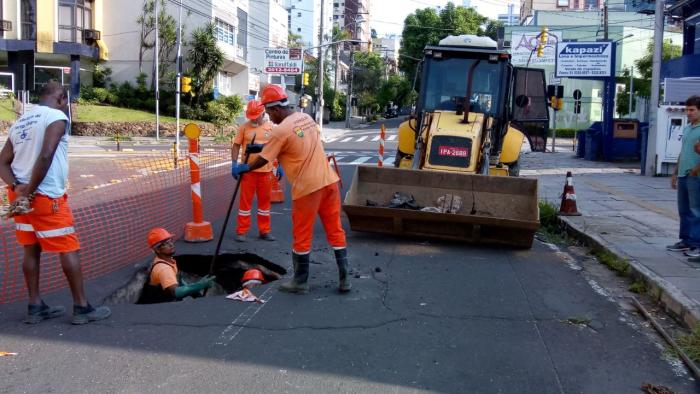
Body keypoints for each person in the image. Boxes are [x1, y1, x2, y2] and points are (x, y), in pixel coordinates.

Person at [0, 81, 111, 324]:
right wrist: (29, 190)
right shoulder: (56, 118)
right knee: (68, 247)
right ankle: (82, 308)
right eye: (67, 101)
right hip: (45, 197)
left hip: (20, 199)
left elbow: (2, 162)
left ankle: (35, 306)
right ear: (61, 98)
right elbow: (47, 154)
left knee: (31, 249)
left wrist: (16, 188)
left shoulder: (20, 122)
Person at [232, 85, 350, 294]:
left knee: (302, 234)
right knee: (335, 230)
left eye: (269, 112)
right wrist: (262, 147)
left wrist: (245, 167)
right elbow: (296, 140)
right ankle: (345, 279)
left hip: (308, 188)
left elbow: (265, 158)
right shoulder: (307, 119)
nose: (269, 116)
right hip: (329, 182)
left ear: (276, 109)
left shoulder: (280, 130)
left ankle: (300, 282)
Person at [231, 100, 281, 242]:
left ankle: (264, 231)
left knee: (264, 204)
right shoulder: (244, 128)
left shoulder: (271, 127)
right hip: (247, 172)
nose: (253, 119)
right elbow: (235, 146)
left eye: (256, 116)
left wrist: (279, 165)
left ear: (263, 113)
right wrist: (234, 164)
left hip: (266, 172)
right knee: (245, 204)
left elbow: (276, 148)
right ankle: (242, 231)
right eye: (251, 116)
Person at [140, 227, 216, 303]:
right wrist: (200, 285)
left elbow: (179, 281)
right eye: (165, 243)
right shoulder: (163, 268)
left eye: (170, 241)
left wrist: (196, 289)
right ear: (157, 249)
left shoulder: (168, 260)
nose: (171, 244)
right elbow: (176, 292)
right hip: (161, 305)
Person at [668, 95, 700, 257]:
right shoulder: (688, 128)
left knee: (696, 210)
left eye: (692, 110)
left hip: (695, 175)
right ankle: (686, 240)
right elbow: (683, 152)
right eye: (687, 110)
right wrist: (674, 173)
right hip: (683, 174)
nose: (688, 113)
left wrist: (696, 169)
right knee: (684, 210)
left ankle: (696, 243)